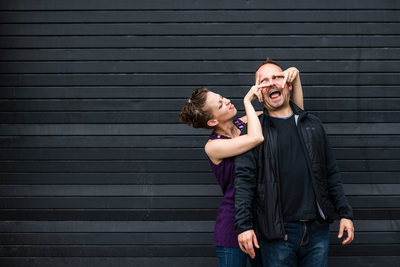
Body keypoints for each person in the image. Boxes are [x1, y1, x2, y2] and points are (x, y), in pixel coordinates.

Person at [179, 66, 304, 267]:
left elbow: (291, 115)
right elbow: (256, 137)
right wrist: (247, 100)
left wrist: (294, 78)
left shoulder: (246, 121)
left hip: (263, 220)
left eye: (222, 97)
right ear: (212, 121)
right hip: (232, 228)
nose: (227, 101)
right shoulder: (214, 147)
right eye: (220, 105)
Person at [234, 58, 355, 267]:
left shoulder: (312, 124)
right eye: (264, 81)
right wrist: (244, 226)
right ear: (259, 94)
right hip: (277, 233)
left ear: (288, 85)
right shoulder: (254, 132)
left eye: (277, 77)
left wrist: (345, 213)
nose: (271, 83)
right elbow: (244, 182)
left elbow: (331, 172)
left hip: (318, 230)